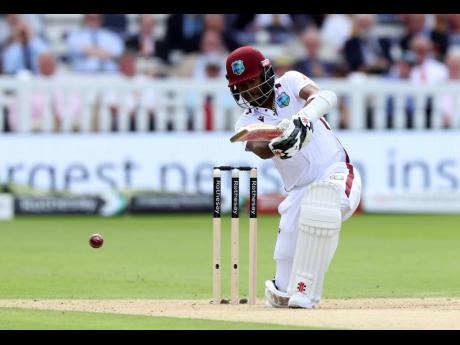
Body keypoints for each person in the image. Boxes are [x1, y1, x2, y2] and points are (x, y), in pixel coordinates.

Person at [225, 46, 362, 308]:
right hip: (298, 191)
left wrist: (302, 119)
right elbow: (259, 149)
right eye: (241, 86)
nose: (249, 90)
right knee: (285, 261)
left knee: (321, 207)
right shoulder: (245, 122)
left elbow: (325, 96)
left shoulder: (289, 82)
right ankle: (283, 289)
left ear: (265, 73)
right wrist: (280, 144)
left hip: (337, 172)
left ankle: (306, 292)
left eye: (251, 81)